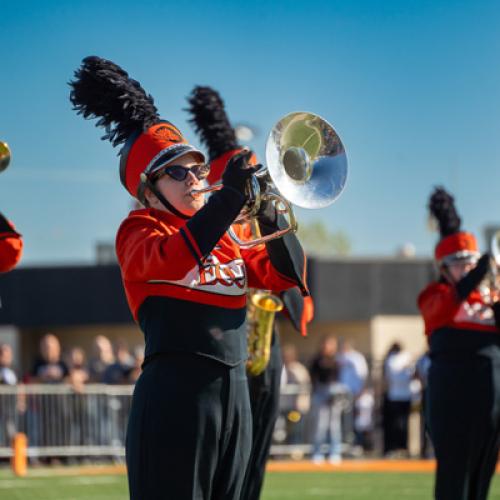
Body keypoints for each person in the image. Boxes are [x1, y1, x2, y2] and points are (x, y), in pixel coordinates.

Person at [70, 57, 307, 500]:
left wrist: (272, 209)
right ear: (147, 188)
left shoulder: (225, 234)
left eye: (197, 169)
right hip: (177, 395)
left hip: (236, 396)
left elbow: (283, 276)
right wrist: (228, 199)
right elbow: (176, 258)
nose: (195, 179)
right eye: (177, 171)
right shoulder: (139, 231)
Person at [186, 85, 313, 500]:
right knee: (232, 458)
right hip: (230, 334)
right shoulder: (219, 211)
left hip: (263, 334)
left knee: (255, 453)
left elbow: (289, 268)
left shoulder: (258, 208)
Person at [418, 187, 500, 500]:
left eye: (470, 262)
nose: (466, 268)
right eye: (458, 262)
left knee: (482, 475)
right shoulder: (435, 295)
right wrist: (479, 270)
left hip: (491, 405)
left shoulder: (489, 299)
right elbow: (445, 308)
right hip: (453, 401)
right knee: (454, 477)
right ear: (443, 267)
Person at [309, 336, 346, 463]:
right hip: (320, 392)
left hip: (334, 392)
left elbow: (338, 377)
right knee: (320, 425)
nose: (327, 347)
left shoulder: (337, 359)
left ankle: (335, 452)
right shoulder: (317, 359)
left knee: (334, 425)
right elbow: (313, 377)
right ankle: (317, 452)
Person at [382, 342, 414, 457]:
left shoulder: (401, 358)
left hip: (401, 395)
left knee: (400, 424)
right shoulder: (394, 359)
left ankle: (401, 448)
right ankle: (397, 448)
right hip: (396, 395)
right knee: (397, 424)